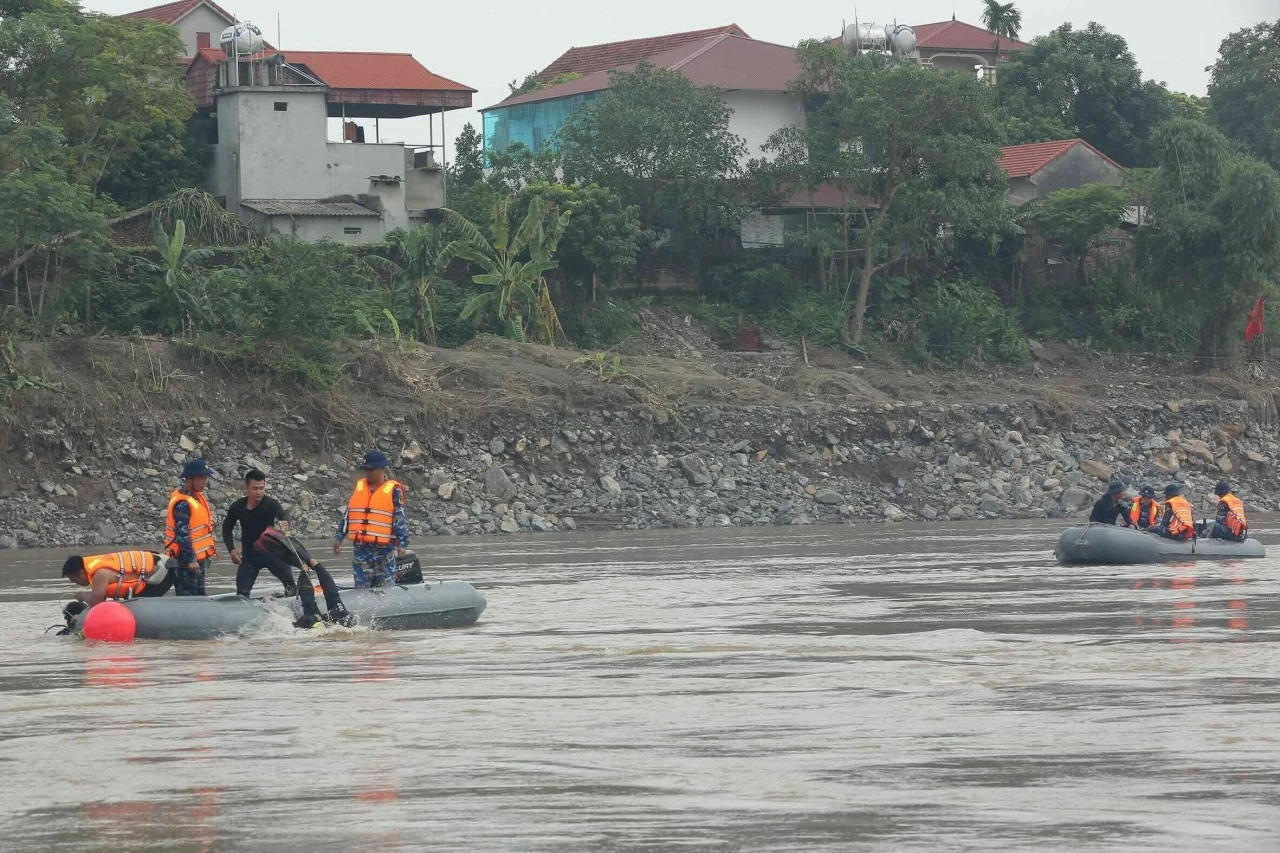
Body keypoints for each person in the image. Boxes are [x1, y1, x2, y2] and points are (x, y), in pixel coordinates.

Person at [333, 450, 408, 588]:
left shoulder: (394, 490)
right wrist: (339, 537)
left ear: (382, 469)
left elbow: (399, 518)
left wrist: (401, 544)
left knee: (385, 587)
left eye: (371, 470)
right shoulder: (360, 488)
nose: (368, 473)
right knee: (361, 588)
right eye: (366, 469)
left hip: (384, 550)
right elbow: (349, 515)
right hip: (361, 550)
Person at [255, 527, 354, 628]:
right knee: (334, 600)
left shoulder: (311, 621)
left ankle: (305, 568)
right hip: (327, 624)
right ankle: (312, 564)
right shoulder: (343, 620)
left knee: (310, 608)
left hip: (317, 625)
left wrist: (271, 602)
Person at [222, 469, 297, 598]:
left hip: (273, 553)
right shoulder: (237, 507)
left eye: (261, 488)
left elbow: (283, 515)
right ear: (247, 488)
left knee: (290, 587)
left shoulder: (271, 504)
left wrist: (285, 523)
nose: (259, 492)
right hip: (250, 556)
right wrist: (232, 550)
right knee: (241, 594)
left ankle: (295, 604)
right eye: (255, 488)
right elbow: (226, 528)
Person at [164, 459, 219, 595]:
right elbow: (182, 534)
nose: (205, 482)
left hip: (198, 559)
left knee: (200, 595)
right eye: (202, 478)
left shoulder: (196, 498)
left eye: (206, 478)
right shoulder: (183, 503)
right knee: (187, 596)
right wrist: (190, 560)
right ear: (189, 478)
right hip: (185, 561)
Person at [61, 551, 175, 606]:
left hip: (163, 572)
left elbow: (97, 603)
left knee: (136, 605)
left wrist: (83, 595)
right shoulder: (97, 570)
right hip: (160, 567)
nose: (78, 584)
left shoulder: (99, 574)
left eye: (75, 581)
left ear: (81, 573)